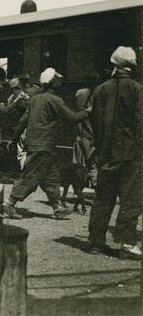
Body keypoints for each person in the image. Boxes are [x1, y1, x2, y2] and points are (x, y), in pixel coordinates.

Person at [4, 68, 90, 220]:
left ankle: (57, 208)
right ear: (52, 83)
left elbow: (23, 121)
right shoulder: (55, 100)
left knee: (51, 177)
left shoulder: (35, 99)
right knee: (30, 176)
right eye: (58, 80)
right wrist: (88, 111)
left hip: (37, 144)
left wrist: (14, 138)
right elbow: (72, 117)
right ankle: (9, 204)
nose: (60, 83)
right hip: (44, 144)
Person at [88, 47, 142, 259]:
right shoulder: (137, 89)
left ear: (113, 65)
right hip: (131, 155)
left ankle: (95, 242)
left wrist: (101, 149)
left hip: (106, 155)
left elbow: (94, 123)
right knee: (131, 201)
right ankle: (127, 245)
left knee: (103, 198)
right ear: (132, 66)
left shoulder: (100, 89)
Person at [73, 73, 100, 185]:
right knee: (93, 163)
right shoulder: (98, 94)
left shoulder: (79, 93)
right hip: (92, 133)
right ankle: (95, 185)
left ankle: (80, 185)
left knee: (80, 162)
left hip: (80, 132)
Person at [0, 77, 29, 172]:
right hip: (18, 127)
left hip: (21, 127)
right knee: (19, 151)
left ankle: (22, 172)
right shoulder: (16, 97)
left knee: (20, 152)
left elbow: (7, 110)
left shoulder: (19, 98)